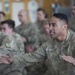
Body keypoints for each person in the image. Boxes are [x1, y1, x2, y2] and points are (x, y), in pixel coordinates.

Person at [1, 13, 75, 75]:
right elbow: (33, 56)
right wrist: (13, 60)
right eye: (50, 25)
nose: (50, 28)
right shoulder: (49, 44)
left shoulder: (73, 41)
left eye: (54, 25)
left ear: (64, 27)